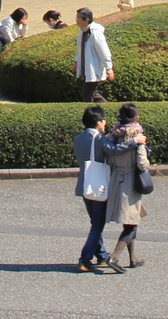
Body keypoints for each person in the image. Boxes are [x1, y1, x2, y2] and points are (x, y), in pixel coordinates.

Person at [103, 103, 151, 270]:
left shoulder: (112, 135)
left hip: (116, 179)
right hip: (130, 181)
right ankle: (114, 258)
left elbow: (109, 153)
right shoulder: (137, 136)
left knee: (131, 218)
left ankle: (133, 258)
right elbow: (142, 164)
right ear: (136, 118)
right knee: (131, 224)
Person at [73, 105, 115, 272]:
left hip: (85, 184)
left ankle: (102, 255)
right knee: (98, 223)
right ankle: (85, 258)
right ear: (98, 122)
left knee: (95, 222)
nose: (105, 123)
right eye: (103, 120)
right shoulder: (100, 140)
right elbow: (114, 151)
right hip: (99, 185)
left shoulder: (78, 139)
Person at [74, 8, 113, 101]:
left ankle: (92, 112)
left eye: (79, 18)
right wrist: (76, 62)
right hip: (86, 69)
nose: (76, 20)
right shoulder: (83, 31)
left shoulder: (95, 32)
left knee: (88, 96)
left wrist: (109, 68)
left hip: (93, 69)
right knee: (93, 94)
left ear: (86, 19)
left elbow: (103, 50)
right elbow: (81, 49)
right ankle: (109, 108)